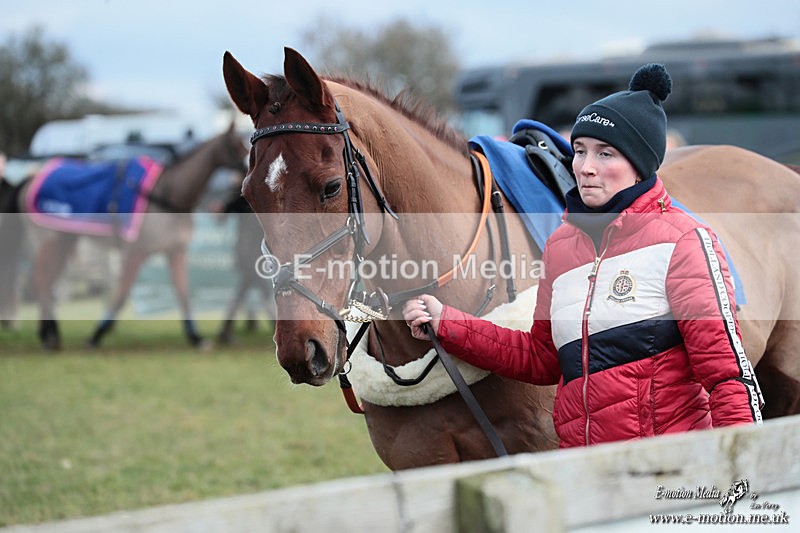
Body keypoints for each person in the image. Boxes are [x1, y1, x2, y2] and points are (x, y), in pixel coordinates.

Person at [403, 64, 764, 448]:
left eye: (605, 153)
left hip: (670, 469)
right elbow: (541, 358)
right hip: (583, 473)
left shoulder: (684, 241)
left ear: (639, 164)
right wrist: (448, 323)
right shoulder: (561, 246)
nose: (586, 168)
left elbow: (727, 375)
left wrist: (741, 470)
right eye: (579, 151)